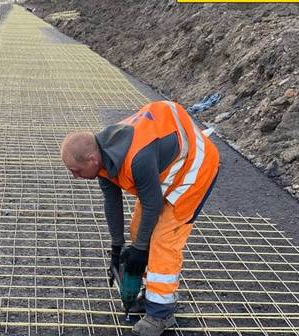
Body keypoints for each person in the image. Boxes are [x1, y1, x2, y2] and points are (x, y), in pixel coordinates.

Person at [60, 100, 219, 336]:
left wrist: (141, 249)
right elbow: (112, 202)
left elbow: (152, 204)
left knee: (162, 241)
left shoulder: (137, 158)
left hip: (194, 171)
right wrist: (117, 246)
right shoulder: (104, 158)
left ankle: (161, 314)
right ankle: (150, 295)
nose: (75, 177)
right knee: (139, 232)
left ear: (91, 160)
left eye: (76, 171)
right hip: (163, 172)